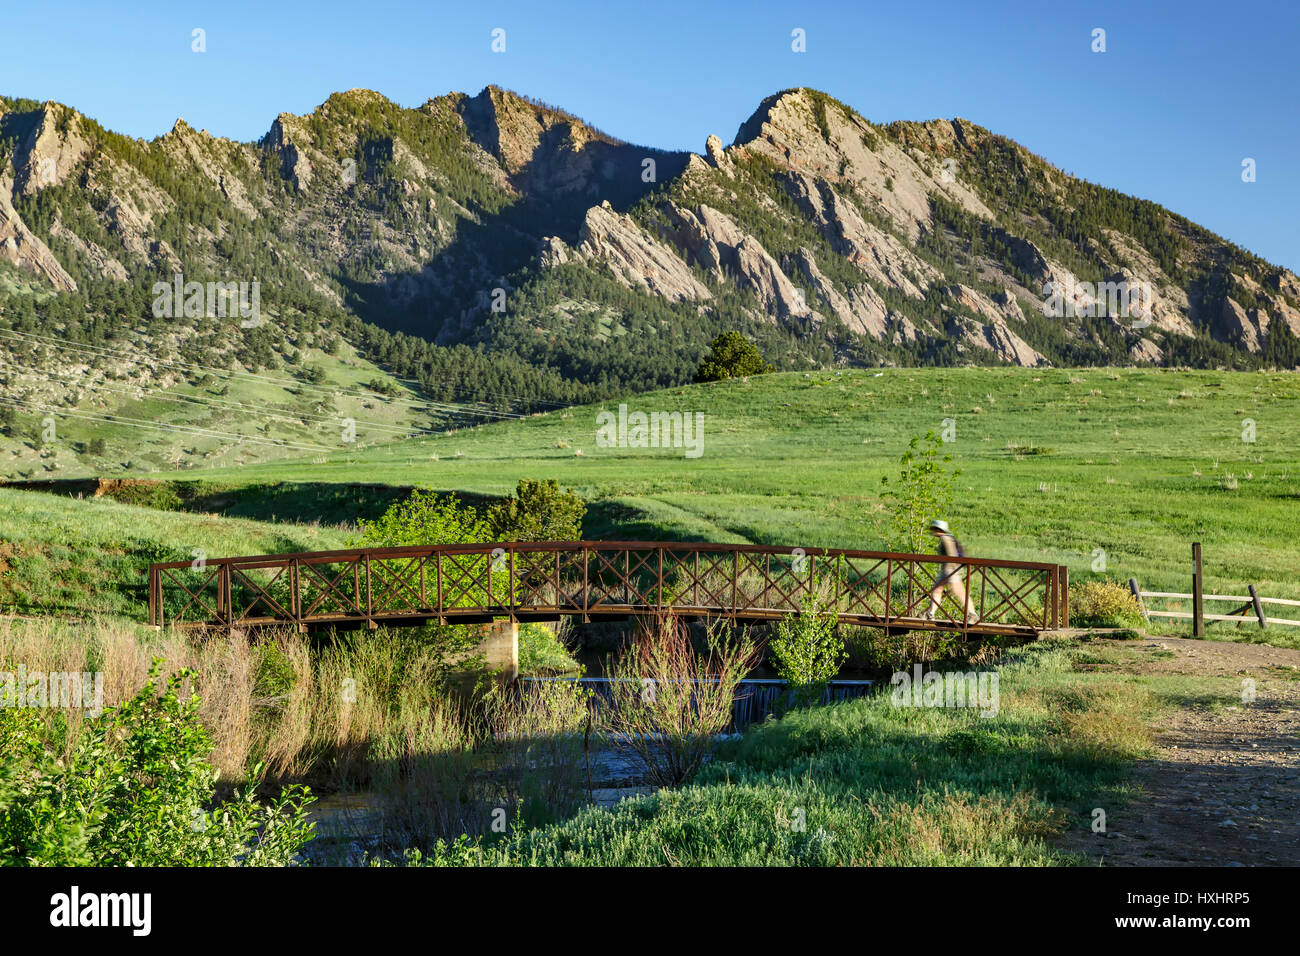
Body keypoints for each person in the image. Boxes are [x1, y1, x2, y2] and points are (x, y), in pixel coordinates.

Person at [921, 519, 979, 624]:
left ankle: (973, 615)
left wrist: (951, 571)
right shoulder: (947, 538)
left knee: (959, 593)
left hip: (951, 570)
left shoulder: (945, 539)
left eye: (935, 529)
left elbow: (952, 555)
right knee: (937, 590)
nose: (933, 531)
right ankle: (930, 613)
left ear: (939, 529)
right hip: (949, 570)